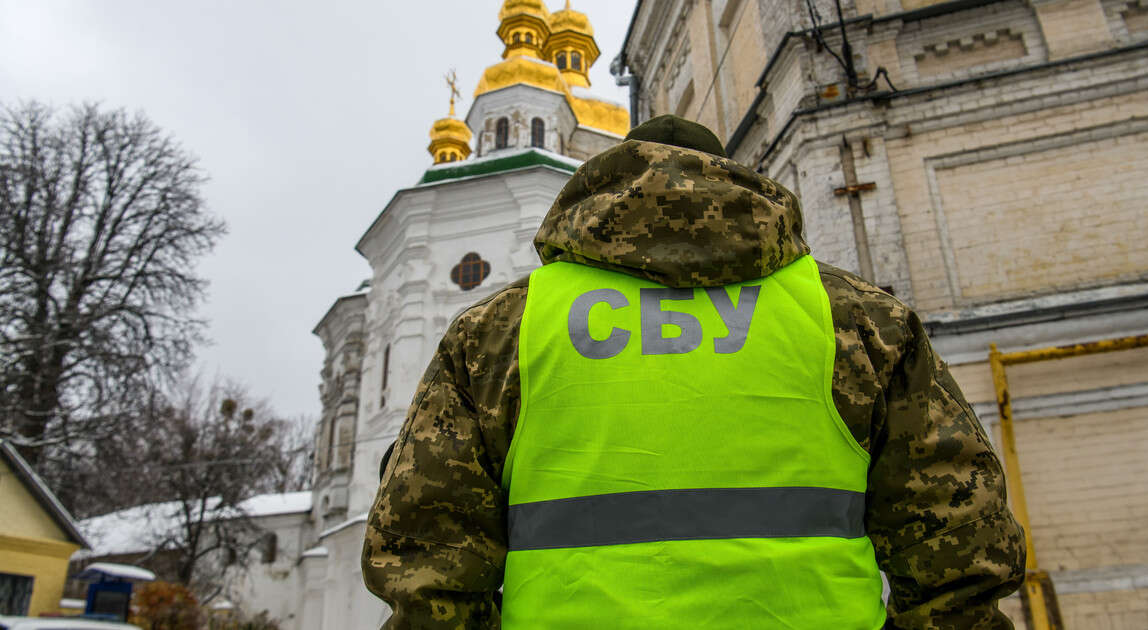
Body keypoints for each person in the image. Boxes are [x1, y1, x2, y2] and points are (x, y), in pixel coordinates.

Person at [363, 115, 1024, 629]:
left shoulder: (500, 333)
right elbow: (959, 539)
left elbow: (427, 556)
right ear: (733, 181)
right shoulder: (856, 321)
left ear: (605, 186)